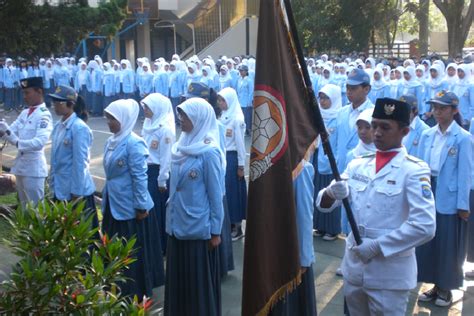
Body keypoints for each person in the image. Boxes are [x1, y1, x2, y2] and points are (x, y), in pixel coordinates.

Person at [316, 97, 436, 316]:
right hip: (354, 267)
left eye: (385, 127)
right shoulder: (358, 164)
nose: (377, 132)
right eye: (374, 126)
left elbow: (424, 226)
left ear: (405, 132)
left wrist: (378, 246)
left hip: (389, 274)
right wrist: (331, 193)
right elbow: (323, 205)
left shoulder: (414, 170)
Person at [164, 98, 224, 316]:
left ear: (199, 119)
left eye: (186, 115)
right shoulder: (181, 146)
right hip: (176, 223)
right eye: (180, 114)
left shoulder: (209, 152)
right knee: (179, 280)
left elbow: (215, 195)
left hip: (198, 227)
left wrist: (215, 230)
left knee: (197, 285)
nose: (181, 119)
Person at [101, 99, 165, 300]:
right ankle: (115, 286)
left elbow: (140, 177)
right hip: (113, 204)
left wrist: (140, 206)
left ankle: (134, 291)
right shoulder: (111, 141)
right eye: (108, 118)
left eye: (112, 119)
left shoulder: (133, 143)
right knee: (114, 247)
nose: (108, 122)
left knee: (131, 251)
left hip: (130, 208)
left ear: (124, 119)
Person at [416, 91, 472, 307]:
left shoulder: (463, 138)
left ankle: (446, 288)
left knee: (448, 245)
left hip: (449, 195)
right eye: (435, 108)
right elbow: (419, 166)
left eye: (443, 108)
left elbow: (465, 173)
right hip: (429, 190)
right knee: (430, 241)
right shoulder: (427, 135)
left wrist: (463, 204)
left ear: (454, 110)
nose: (437, 112)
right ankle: (433, 285)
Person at [269, 159, 317, 316]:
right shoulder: (265, 165)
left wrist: (303, 258)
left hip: (291, 252)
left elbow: (304, 215)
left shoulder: (301, 169)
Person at [48, 85, 97, 226]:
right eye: (54, 102)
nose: (55, 105)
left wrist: (76, 193)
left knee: (80, 237)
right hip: (60, 189)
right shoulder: (59, 126)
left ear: (70, 105)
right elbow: (55, 160)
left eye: (58, 102)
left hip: (75, 192)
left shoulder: (79, 128)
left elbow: (80, 163)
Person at [0, 77, 53, 208]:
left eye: (27, 93)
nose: (24, 97)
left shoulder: (44, 115)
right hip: (21, 166)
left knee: (35, 208)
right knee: (24, 207)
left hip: (34, 168)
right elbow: (11, 129)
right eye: (23, 93)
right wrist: (3, 129)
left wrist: (15, 140)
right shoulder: (25, 113)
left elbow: (39, 142)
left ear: (39, 92)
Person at [140, 93, 176, 255]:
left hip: (158, 174)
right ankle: (152, 243)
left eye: (147, 107)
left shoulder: (165, 129)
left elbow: (166, 157)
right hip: (146, 171)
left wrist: (162, 180)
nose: (145, 110)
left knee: (158, 211)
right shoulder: (148, 124)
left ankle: (161, 245)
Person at [217, 87, 247, 241]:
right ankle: (228, 224)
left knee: (233, 192)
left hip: (233, 158)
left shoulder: (237, 119)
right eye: (219, 100)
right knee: (225, 192)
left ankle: (237, 227)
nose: (220, 103)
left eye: (223, 100)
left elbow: (241, 144)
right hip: (223, 157)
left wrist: (241, 166)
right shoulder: (223, 116)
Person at [313, 84, 342, 241]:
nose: (323, 101)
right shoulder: (317, 114)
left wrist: (335, 160)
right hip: (318, 158)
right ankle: (319, 225)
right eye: (321, 98)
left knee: (332, 193)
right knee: (318, 191)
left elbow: (339, 142)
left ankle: (332, 229)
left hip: (332, 161)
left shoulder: (339, 117)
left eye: (326, 98)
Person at [334, 68, 374, 172]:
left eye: (353, 88)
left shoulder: (374, 114)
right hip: (341, 169)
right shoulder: (341, 113)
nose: (348, 91)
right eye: (347, 87)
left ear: (366, 89)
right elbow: (336, 142)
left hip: (363, 171)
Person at [236, 64, 253, 135]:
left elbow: (251, 91)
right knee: (241, 116)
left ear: (246, 71)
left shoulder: (249, 80)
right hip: (240, 101)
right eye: (240, 71)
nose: (241, 72)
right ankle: (242, 129)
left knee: (247, 117)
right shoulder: (239, 79)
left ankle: (248, 130)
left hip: (246, 101)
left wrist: (249, 101)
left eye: (242, 71)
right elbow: (237, 90)